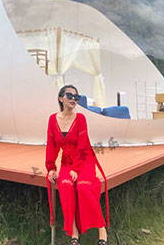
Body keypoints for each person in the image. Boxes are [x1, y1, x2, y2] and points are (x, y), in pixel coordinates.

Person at [46, 84, 109, 245]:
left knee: (83, 187)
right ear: (61, 98)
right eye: (69, 95)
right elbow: (51, 145)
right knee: (65, 185)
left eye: (76, 97)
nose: (73, 99)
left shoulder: (80, 118)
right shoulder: (53, 119)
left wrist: (76, 168)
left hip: (84, 160)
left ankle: (101, 228)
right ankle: (74, 231)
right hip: (67, 162)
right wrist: (51, 168)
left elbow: (82, 145)